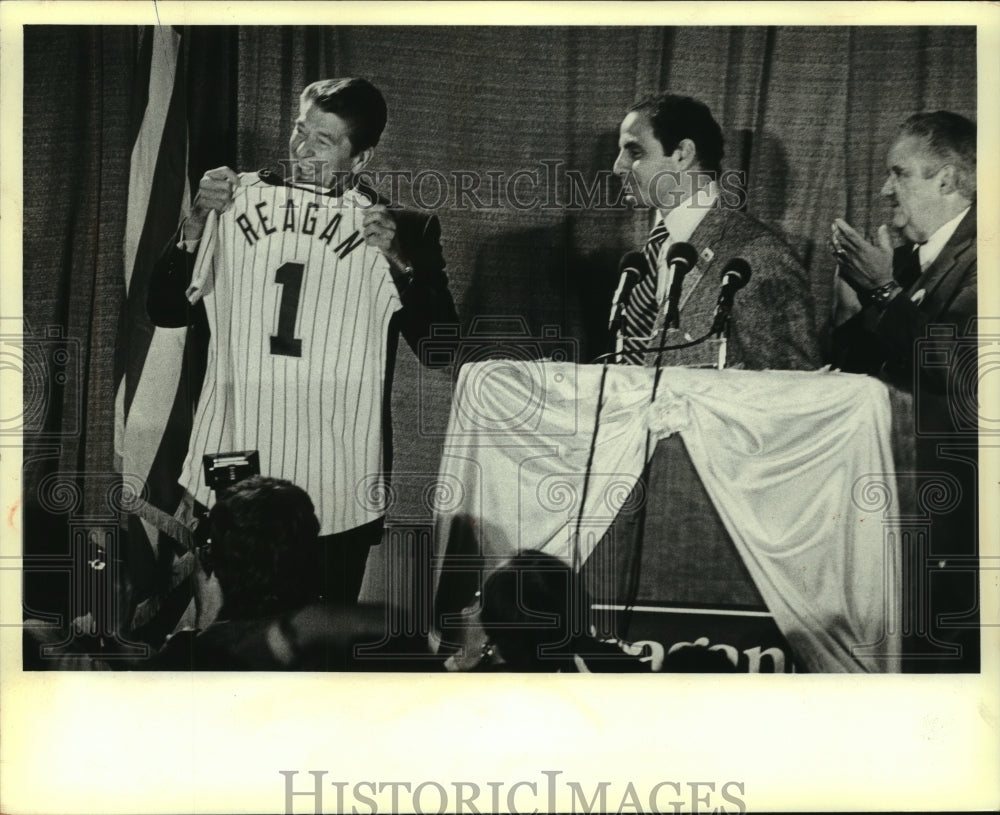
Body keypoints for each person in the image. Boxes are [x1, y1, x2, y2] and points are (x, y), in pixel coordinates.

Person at [146, 78, 458, 606]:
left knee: (319, 647)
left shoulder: (401, 228)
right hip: (237, 458)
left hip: (338, 480)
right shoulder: (233, 201)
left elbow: (441, 348)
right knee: (227, 636)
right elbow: (165, 309)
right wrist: (197, 219)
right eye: (299, 130)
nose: (301, 149)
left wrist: (400, 263)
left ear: (360, 159)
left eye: (323, 140)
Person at [831, 111, 978, 672]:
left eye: (900, 173)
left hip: (957, 516)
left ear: (946, 178)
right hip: (903, 501)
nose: (886, 188)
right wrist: (859, 299)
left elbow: (962, 363)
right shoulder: (917, 258)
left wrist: (886, 290)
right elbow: (876, 367)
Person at [611, 92, 821, 370]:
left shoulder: (761, 257)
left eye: (634, 152)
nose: (617, 167)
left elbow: (793, 385)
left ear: (682, 155)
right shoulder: (646, 257)